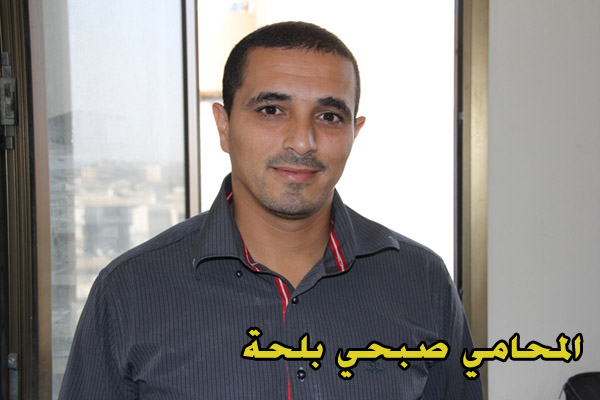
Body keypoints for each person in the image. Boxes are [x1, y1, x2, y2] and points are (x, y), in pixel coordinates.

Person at [59, 21, 484, 399]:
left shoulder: (422, 281)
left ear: (354, 133)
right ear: (224, 126)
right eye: (271, 110)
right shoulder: (129, 291)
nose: (302, 141)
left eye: (329, 116)